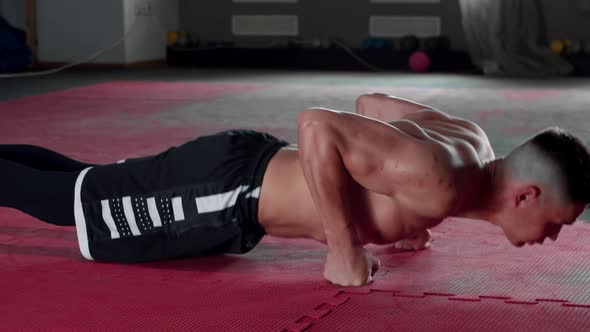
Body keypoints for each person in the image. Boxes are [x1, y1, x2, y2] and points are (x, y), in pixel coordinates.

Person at [1, 93, 589, 287]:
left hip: (239, 175)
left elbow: (373, 108)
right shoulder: (440, 179)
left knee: (88, 184)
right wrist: (344, 247)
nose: (551, 238)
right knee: (76, 206)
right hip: (229, 191)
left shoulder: (472, 147)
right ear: (526, 196)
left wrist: (406, 217)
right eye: (557, 223)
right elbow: (319, 123)